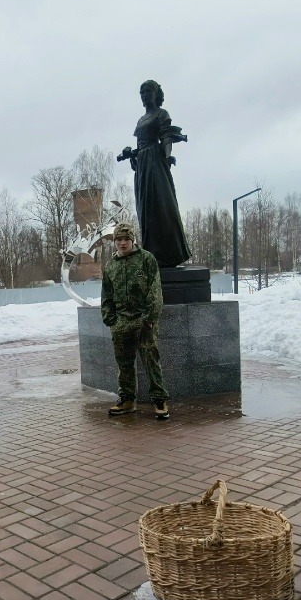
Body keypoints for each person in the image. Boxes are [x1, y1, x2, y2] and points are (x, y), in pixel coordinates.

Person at [120, 79, 192, 268]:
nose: (144, 95)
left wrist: (168, 156)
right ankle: (152, 256)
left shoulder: (162, 114)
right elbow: (140, 146)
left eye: (148, 91)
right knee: (146, 211)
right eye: (141, 92)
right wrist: (131, 154)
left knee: (161, 207)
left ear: (156, 94)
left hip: (156, 164)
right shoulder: (140, 120)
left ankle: (170, 254)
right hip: (143, 168)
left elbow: (166, 136)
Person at [101, 223, 169, 420]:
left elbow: (155, 291)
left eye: (126, 239)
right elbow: (107, 294)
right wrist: (110, 318)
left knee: (150, 361)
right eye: (119, 240)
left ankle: (159, 400)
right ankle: (127, 400)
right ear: (114, 242)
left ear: (132, 240)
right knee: (124, 364)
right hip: (121, 322)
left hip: (143, 320)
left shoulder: (146, 259)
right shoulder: (111, 265)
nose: (123, 243)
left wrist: (149, 319)